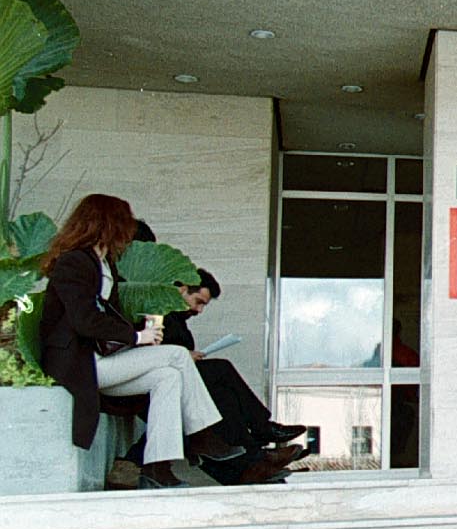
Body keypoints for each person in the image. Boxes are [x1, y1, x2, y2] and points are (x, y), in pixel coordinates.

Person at [37, 193, 225, 489]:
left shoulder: (104, 265)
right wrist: (137, 336)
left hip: (101, 360)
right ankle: (202, 436)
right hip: (78, 363)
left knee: (167, 377)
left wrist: (140, 334)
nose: (129, 229)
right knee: (177, 355)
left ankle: (157, 468)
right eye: (124, 221)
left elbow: (107, 315)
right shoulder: (74, 261)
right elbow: (84, 320)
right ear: (107, 222)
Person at [163, 271, 311, 484]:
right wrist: (184, 355)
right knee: (221, 369)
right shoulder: (158, 315)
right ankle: (262, 429)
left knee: (224, 397)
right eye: (198, 302)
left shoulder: (179, 322)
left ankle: (255, 457)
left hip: (183, 384)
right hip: (165, 383)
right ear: (183, 289)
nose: (199, 310)